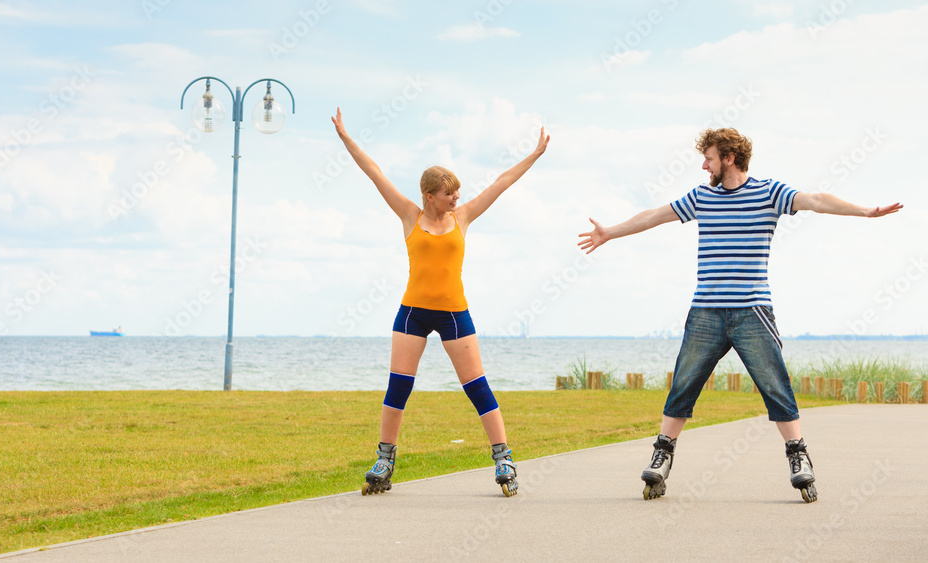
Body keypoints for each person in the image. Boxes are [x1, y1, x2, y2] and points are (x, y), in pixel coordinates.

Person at [577, 128, 902, 503]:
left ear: (728, 159)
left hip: (752, 310)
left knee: (774, 385)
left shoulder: (769, 193)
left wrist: (864, 211)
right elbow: (655, 215)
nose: (704, 165)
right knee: (684, 384)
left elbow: (815, 199)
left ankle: (799, 458)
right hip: (706, 311)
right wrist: (610, 233)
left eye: (709, 158)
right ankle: (662, 457)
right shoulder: (702, 197)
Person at [332, 108, 550, 497]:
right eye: (449, 193)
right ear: (429, 195)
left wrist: (533, 155)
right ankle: (384, 460)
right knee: (398, 387)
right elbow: (374, 172)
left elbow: (500, 183)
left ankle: (503, 459)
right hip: (412, 313)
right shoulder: (409, 215)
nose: (457, 197)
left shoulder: (462, 217)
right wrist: (347, 139)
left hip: (454, 313)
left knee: (477, 387)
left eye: (457, 192)